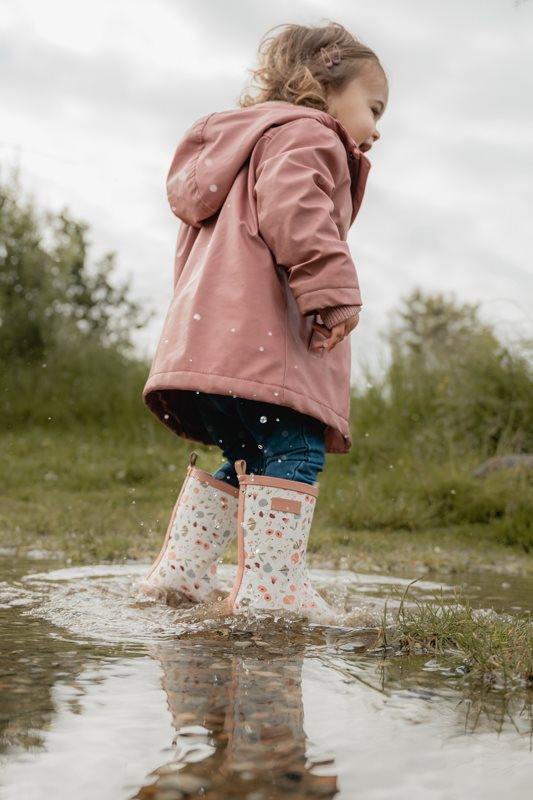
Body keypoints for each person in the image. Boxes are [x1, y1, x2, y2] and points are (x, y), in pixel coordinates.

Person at [139, 20, 389, 619]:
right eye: (373, 106)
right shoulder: (309, 135)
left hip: (213, 353)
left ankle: (182, 574)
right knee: (297, 448)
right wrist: (332, 287)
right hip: (265, 352)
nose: (377, 128)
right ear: (324, 85)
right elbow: (295, 205)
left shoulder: (239, 152)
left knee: (251, 453)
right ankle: (273, 593)